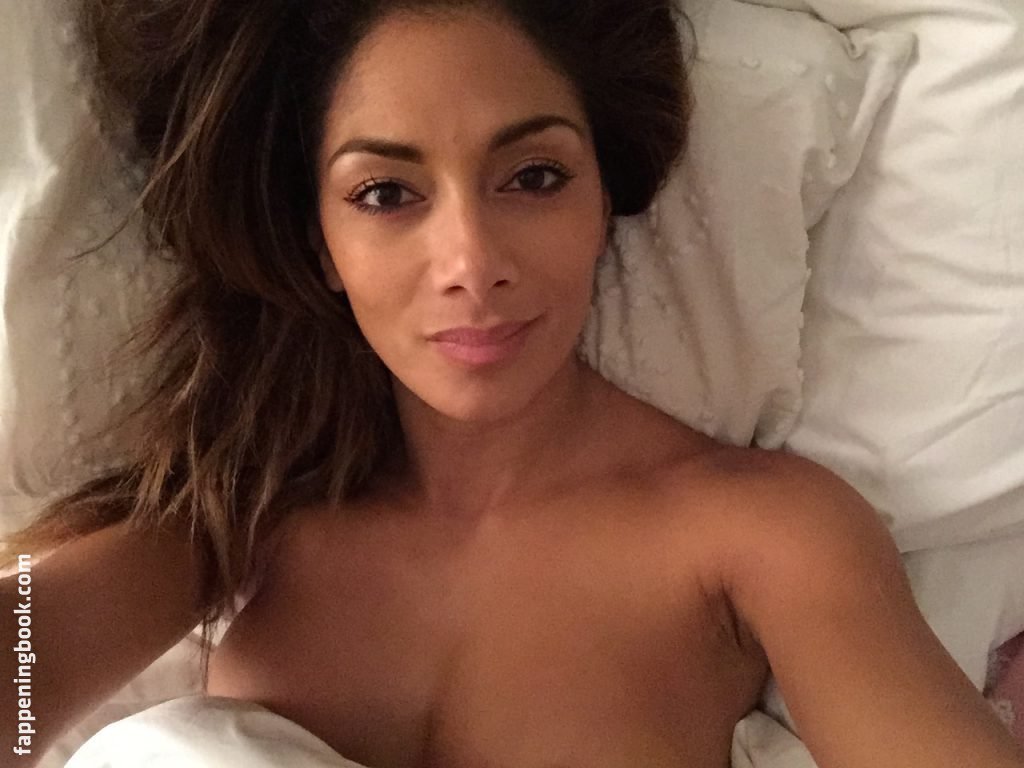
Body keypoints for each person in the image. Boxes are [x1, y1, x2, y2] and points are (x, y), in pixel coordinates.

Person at [2, 0, 1022, 766]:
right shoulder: (243, 513)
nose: (472, 261)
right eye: (386, 194)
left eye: (533, 177)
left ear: (603, 201)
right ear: (320, 245)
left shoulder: (759, 534)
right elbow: (23, 667)